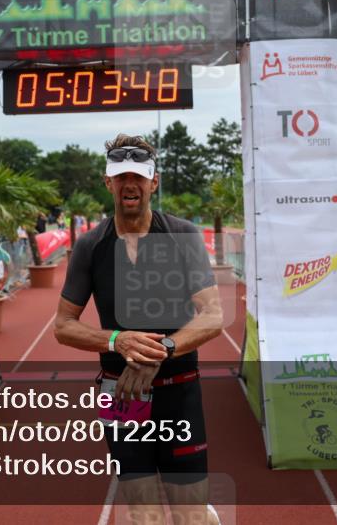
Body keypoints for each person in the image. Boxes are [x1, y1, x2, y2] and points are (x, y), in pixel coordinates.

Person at [53, 134, 223, 524]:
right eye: (121, 176)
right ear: (107, 182)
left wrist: (161, 349)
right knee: (144, 515)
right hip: (121, 395)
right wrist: (117, 339)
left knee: (189, 516)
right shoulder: (90, 245)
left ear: (154, 182)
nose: (130, 184)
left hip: (178, 390)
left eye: (139, 177)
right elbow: (63, 326)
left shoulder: (183, 236)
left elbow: (212, 315)